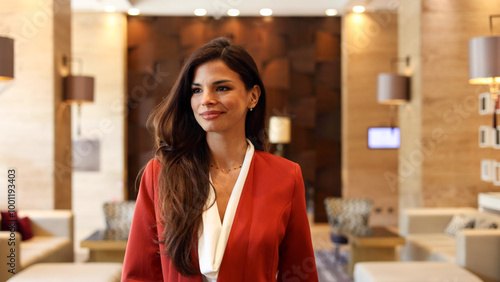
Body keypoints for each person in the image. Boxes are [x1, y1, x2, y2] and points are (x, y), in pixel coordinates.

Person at [122, 37, 318, 282]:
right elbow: (139, 275)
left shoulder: (286, 176)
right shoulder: (160, 174)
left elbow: (299, 274)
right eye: (196, 90)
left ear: (253, 96)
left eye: (222, 88)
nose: (206, 99)